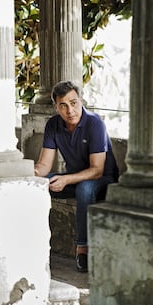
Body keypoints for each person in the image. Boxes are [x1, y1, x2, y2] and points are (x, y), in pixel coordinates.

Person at [34, 80, 119, 273]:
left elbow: (97, 169)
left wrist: (65, 180)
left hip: (102, 179)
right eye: (63, 105)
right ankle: (33, 242)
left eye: (73, 103)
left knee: (84, 188)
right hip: (74, 177)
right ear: (56, 107)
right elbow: (44, 166)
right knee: (36, 185)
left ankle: (83, 250)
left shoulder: (94, 123)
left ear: (80, 100)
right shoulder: (53, 125)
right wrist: (31, 175)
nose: (70, 110)